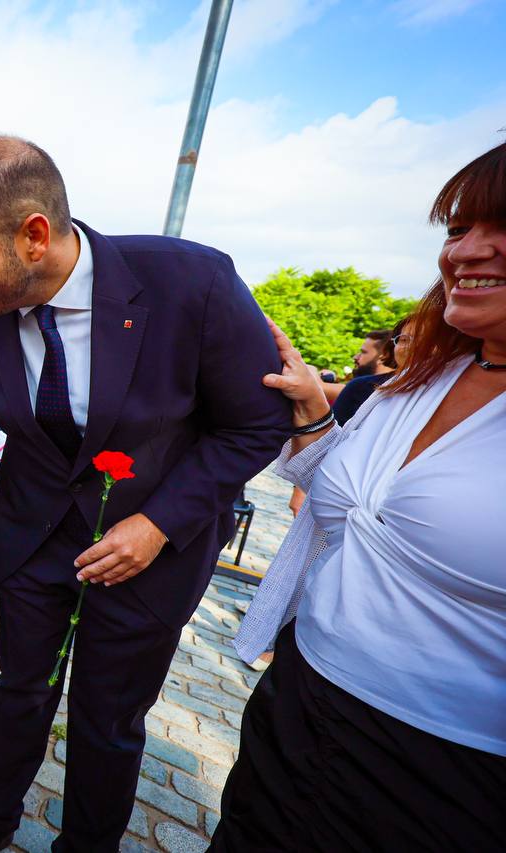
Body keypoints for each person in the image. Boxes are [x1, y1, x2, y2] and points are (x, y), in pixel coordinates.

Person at [0, 137, 290, 852]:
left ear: (34, 237)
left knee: (107, 719)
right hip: (34, 541)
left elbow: (255, 425)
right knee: (20, 690)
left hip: (148, 556)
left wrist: (158, 524)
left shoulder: (190, 283)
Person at [221, 141, 506, 851]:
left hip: (445, 764)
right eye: (458, 228)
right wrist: (312, 411)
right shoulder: (420, 380)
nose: (467, 250)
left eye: (502, 227)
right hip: (299, 699)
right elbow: (356, 506)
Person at [331, 329, 395, 424]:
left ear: (383, 356)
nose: (356, 357)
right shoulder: (404, 390)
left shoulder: (360, 387)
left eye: (363, 352)